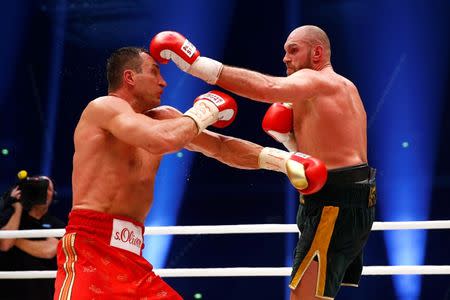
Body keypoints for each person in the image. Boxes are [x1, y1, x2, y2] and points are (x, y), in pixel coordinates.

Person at [53, 46, 327, 299]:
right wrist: (203, 111)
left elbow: (221, 148)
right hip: (91, 248)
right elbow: (159, 140)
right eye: (155, 72)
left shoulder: (167, 119)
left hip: (133, 256)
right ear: (129, 77)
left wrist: (283, 161)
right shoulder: (104, 108)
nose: (164, 82)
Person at [150, 25, 377, 300]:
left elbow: (269, 88)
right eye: (285, 51)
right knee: (320, 295)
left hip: (334, 203)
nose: (285, 58)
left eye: (293, 50)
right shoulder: (341, 89)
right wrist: (290, 143)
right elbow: (331, 148)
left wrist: (197, 66)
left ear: (317, 53)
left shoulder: (319, 81)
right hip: (347, 198)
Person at [0, 175, 65, 300]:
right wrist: (17, 207)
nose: (43, 192)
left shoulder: (58, 225)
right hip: (8, 292)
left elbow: (49, 251)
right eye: (38, 187)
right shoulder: (10, 216)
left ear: (54, 197)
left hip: (42, 293)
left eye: (48, 188)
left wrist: (15, 239)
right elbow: (5, 244)